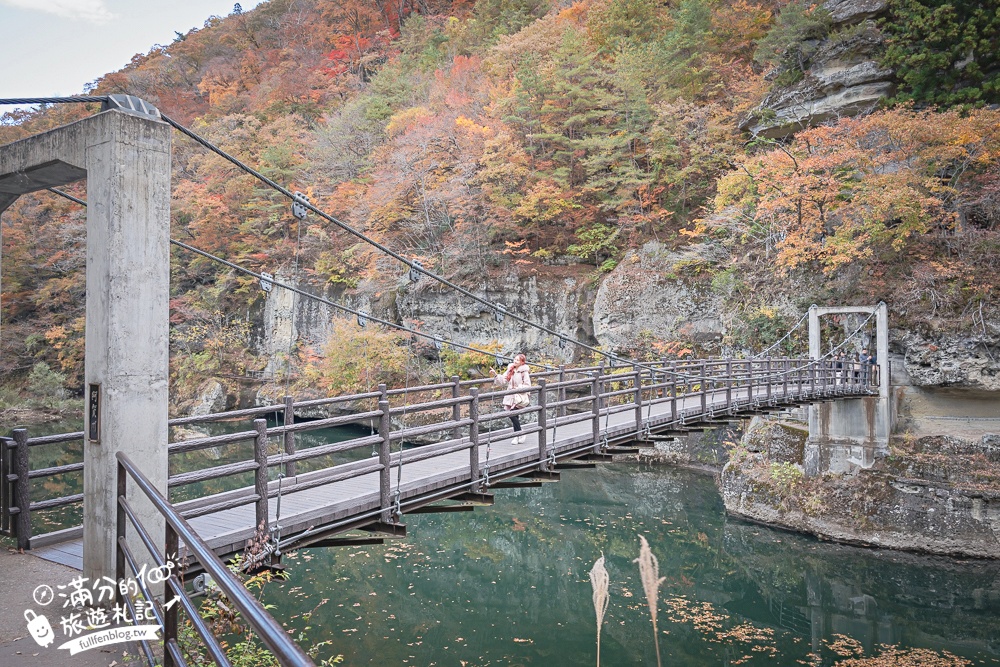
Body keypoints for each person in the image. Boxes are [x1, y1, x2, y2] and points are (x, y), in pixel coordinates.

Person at [490, 353, 531, 444]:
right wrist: (496, 375)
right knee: (514, 416)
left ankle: (519, 434)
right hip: (510, 396)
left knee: (512, 414)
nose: (515, 361)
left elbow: (528, 385)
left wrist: (518, 388)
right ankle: (518, 435)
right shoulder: (511, 369)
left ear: (522, 362)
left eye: (517, 360)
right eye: (515, 359)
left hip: (519, 396)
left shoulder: (524, 372)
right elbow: (503, 381)